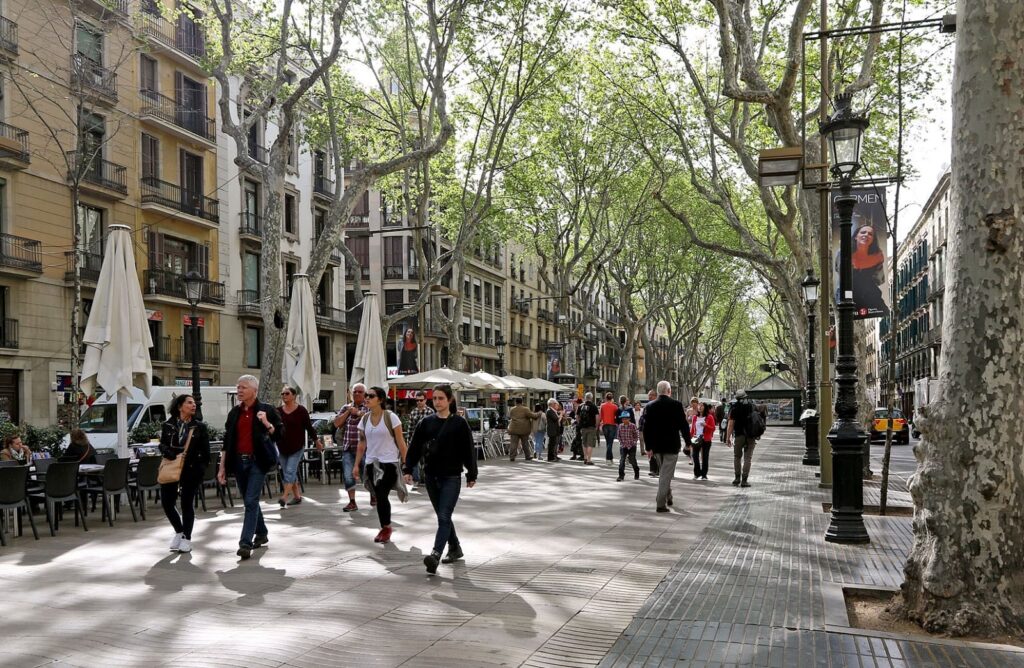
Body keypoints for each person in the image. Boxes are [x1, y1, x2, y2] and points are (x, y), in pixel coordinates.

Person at [403, 384, 478, 574]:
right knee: (442, 516)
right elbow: (414, 447)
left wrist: (471, 473)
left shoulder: (459, 424)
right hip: (431, 476)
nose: (437, 402)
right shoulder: (426, 423)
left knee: (444, 516)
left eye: (441, 398)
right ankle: (455, 548)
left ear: (450, 400)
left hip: (451, 477)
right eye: (434, 398)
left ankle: (435, 554)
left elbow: (468, 450)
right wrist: (408, 468)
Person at [217, 375, 284, 560]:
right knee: (250, 500)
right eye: (238, 387)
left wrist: (266, 423)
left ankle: (245, 543)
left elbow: (279, 434)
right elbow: (226, 442)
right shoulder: (234, 413)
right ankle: (261, 532)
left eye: (243, 387)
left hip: (258, 462)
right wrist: (222, 468)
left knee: (250, 500)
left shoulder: (266, 410)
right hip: (238, 462)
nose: (239, 390)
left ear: (254, 391)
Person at [354, 386, 408, 544]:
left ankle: (386, 528)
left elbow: (400, 442)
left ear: (381, 400)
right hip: (371, 464)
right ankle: (385, 526)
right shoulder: (364, 420)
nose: (366, 398)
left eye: (371, 396)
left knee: (382, 494)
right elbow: (361, 444)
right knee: (379, 496)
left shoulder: (391, 417)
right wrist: (356, 465)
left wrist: (407, 465)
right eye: (366, 396)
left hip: (389, 463)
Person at [160, 394, 210, 553]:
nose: (193, 405)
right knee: (167, 503)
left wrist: (200, 469)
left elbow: (206, 453)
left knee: (186, 504)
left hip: (191, 469)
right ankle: (179, 531)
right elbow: (162, 444)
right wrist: (168, 452)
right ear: (180, 406)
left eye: (194, 403)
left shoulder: (199, 427)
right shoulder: (168, 425)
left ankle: (187, 538)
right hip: (171, 467)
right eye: (189, 403)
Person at [642, 381, 689, 513]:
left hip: (656, 446)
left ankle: (668, 496)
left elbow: (646, 428)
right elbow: (684, 426)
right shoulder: (677, 405)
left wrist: (648, 447)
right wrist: (688, 443)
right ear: (669, 391)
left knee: (664, 473)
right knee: (665, 474)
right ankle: (660, 503)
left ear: (658, 392)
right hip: (672, 445)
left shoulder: (650, 406)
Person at [277, 385, 322, 507]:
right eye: (282, 394)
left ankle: (285, 496)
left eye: (287, 394)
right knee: (288, 472)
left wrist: (317, 441)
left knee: (290, 471)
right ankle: (297, 497)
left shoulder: (301, 410)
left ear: (294, 396)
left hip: (297, 447)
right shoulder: (278, 411)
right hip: (282, 447)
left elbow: (309, 427)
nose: (284, 396)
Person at [835, 221, 887, 314]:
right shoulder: (843, 252)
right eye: (863, 232)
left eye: (870, 234)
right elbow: (839, 270)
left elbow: (880, 280)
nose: (866, 235)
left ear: (873, 240)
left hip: (870, 296)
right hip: (847, 297)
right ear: (856, 236)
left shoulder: (878, 256)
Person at [333, 383, 369, 512]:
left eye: (360, 392)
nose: (357, 394)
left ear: (365, 394)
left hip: (366, 449)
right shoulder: (346, 407)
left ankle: (374, 495)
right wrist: (348, 411)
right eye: (355, 392)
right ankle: (352, 502)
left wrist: (358, 413)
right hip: (348, 447)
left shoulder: (369, 406)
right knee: (348, 476)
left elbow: (372, 420)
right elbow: (337, 423)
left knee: (368, 475)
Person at [725, 390, 757, 488]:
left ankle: (737, 478)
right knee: (748, 458)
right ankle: (744, 480)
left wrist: (728, 438)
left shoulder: (734, 408)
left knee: (737, 457)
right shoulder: (752, 406)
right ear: (745, 397)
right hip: (751, 436)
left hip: (739, 436)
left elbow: (730, 424)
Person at [406, 391, 436, 485]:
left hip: (427, 441)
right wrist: (408, 442)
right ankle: (417, 479)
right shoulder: (413, 412)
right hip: (416, 441)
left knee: (426, 461)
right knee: (415, 461)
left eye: (421, 400)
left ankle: (425, 479)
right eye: (417, 400)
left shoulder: (430, 411)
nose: (419, 402)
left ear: (425, 400)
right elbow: (410, 428)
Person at [507, 398, 540, 462]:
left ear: (515, 402)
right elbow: (533, 416)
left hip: (514, 428)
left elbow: (509, 416)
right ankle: (527, 456)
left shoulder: (512, 409)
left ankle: (512, 457)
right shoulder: (525, 409)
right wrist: (539, 413)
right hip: (524, 429)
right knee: (525, 443)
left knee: (513, 443)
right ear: (522, 402)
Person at [690, 402, 715, 481]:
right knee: (695, 456)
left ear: (705, 407)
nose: (700, 407)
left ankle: (704, 475)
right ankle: (697, 473)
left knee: (705, 457)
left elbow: (713, 428)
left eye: (702, 406)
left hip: (706, 439)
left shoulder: (709, 417)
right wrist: (689, 439)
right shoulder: (695, 417)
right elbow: (692, 429)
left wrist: (706, 425)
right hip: (696, 439)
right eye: (699, 406)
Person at [615, 411, 640, 482]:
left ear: (629, 419)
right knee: (622, 460)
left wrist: (634, 442)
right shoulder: (620, 426)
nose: (624, 420)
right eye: (623, 419)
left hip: (632, 446)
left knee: (632, 460)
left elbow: (636, 435)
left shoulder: (633, 426)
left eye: (626, 419)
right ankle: (621, 475)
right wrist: (621, 442)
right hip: (623, 446)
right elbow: (618, 436)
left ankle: (636, 472)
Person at [640, 389, 659, 477]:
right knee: (650, 451)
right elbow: (643, 419)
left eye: (652, 395)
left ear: (656, 396)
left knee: (656, 452)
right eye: (649, 395)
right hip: (648, 432)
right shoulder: (646, 407)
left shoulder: (659, 406)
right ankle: (653, 469)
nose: (650, 396)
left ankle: (657, 469)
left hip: (657, 432)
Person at [577, 392, 599, 465]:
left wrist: (579, 424)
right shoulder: (594, 406)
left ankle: (585, 458)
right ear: (591, 398)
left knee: (584, 443)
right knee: (590, 444)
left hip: (583, 427)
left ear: (585, 398)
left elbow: (577, 416)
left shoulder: (580, 406)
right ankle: (589, 459)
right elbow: (597, 417)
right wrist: (596, 426)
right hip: (591, 427)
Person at [599, 392, 619, 462]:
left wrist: (599, 425)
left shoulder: (602, 406)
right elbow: (617, 416)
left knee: (608, 442)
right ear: (612, 398)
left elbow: (600, 416)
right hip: (612, 425)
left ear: (605, 398)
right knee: (610, 442)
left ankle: (610, 458)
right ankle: (608, 458)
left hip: (605, 425)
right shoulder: (615, 406)